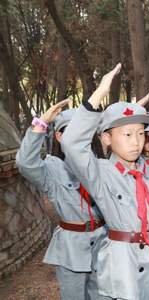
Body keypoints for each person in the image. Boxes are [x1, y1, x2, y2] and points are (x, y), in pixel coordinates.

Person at [61, 64, 149, 300]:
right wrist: (98, 95)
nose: (136, 141)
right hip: (121, 271)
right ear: (107, 138)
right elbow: (72, 145)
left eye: (141, 133)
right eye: (126, 134)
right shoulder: (101, 173)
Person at [16, 102, 107, 300]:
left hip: (103, 242)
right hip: (71, 248)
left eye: (82, 131)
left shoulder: (100, 165)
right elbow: (25, 163)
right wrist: (41, 123)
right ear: (59, 136)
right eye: (71, 132)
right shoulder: (52, 168)